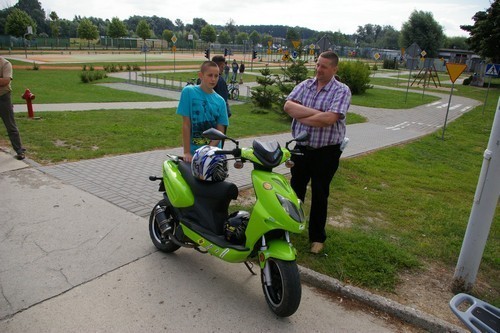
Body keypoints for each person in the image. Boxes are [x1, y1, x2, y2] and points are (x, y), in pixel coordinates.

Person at [283, 51, 351, 254]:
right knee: (295, 191)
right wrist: (318, 115)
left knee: (320, 194)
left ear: (334, 69)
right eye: (318, 64)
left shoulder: (342, 91)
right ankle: (289, 228)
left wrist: (303, 114)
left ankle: (317, 238)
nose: (318, 69)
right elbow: (288, 106)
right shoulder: (305, 85)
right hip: (301, 149)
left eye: (324, 66)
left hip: (326, 152)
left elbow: (329, 120)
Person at [177, 61, 229, 163]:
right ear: (200, 75)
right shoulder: (188, 92)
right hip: (193, 154)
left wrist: (206, 152)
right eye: (210, 75)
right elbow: (186, 124)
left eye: (216, 76)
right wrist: (187, 152)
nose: (213, 79)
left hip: (212, 155)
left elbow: (220, 131)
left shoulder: (220, 101)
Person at [0, 56, 25, 160]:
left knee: (11, 125)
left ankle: (19, 150)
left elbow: (5, 81)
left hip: (3, 98)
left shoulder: (5, 64)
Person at [211, 55, 231, 120]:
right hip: (219, 116)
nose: (223, 69)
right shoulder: (220, 81)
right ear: (218, 67)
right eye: (222, 67)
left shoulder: (204, 79)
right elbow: (223, 100)